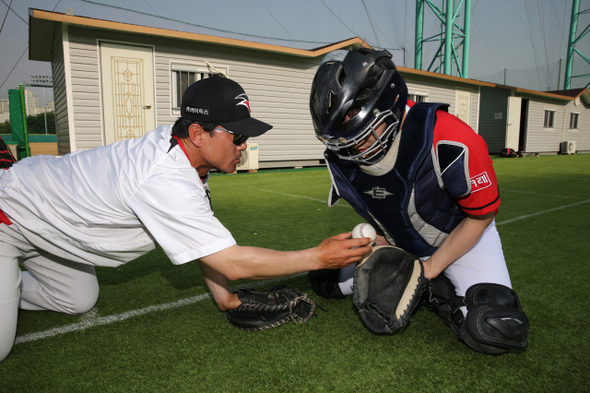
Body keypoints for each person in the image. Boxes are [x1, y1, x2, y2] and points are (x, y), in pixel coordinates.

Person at [0, 76, 371, 361]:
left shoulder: (185, 155)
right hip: (11, 215)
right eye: (238, 136)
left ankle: (9, 283)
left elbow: (205, 248)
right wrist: (318, 257)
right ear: (197, 133)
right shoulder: (165, 177)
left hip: (51, 227)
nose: (244, 146)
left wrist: (226, 301)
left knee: (79, 299)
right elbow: (232, 261)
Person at [308, 48, 529, 354]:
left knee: (495, 327)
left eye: (363, 132)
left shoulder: (451, 138)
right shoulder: (342, 155)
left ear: (391, 102)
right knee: (324, 281)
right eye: (344, 137)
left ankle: (438, 290)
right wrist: (381, 244)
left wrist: (429, 270)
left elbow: (480, 216)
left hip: (461, 237)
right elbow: (384, 206)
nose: (354, 148)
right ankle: (421, 278)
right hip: (402, 241)